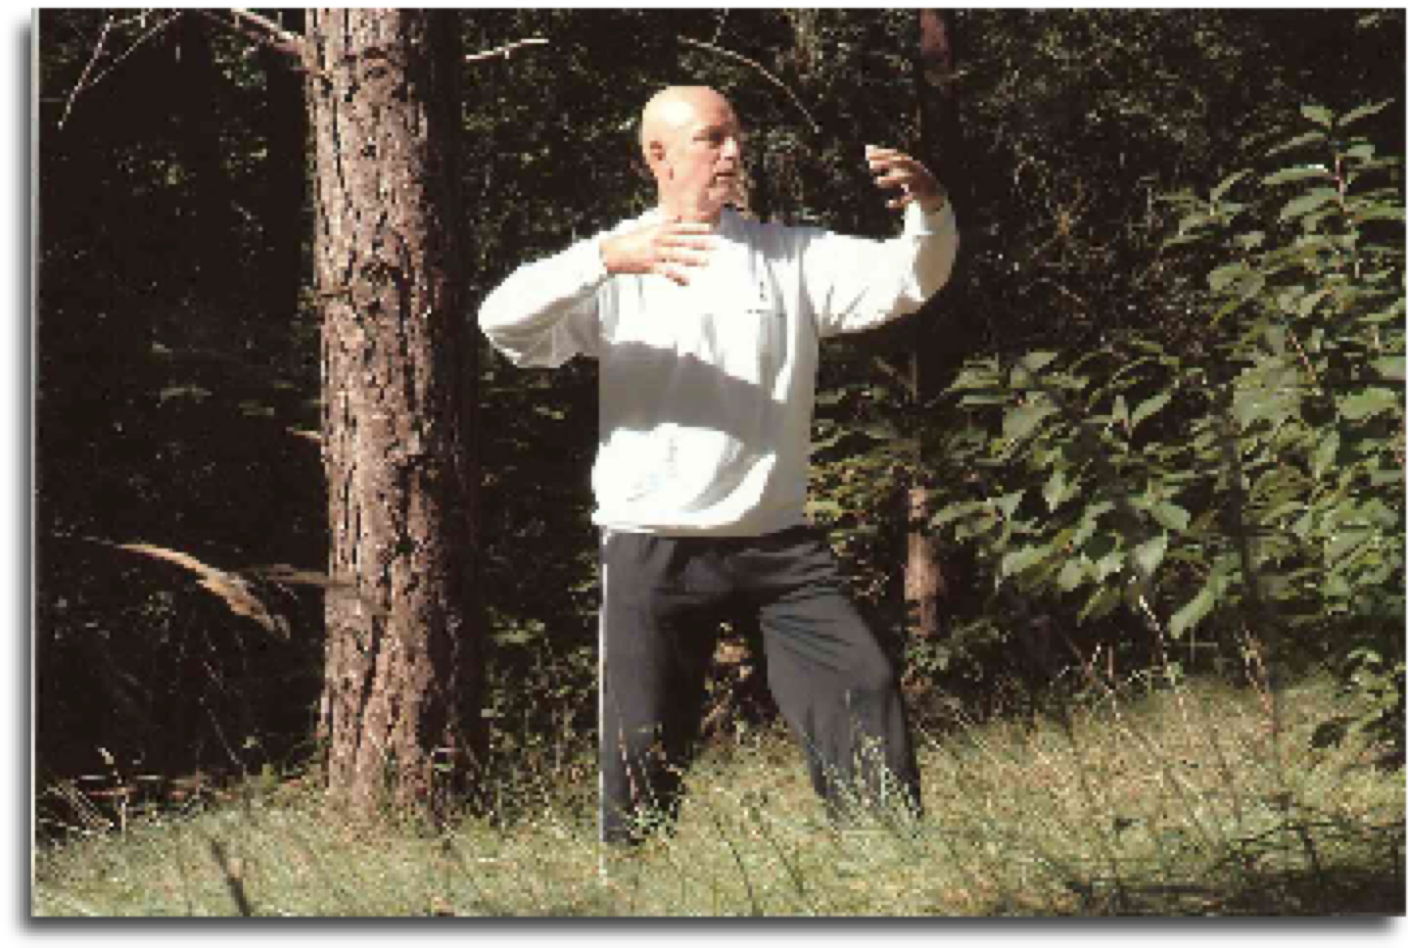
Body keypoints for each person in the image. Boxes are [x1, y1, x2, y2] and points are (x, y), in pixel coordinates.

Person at [479, 86, 959, 846]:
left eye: (736, 137)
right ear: (658, 157)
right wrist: (604, 259)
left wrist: (928, 211)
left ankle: (891, 863)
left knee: (861, 684)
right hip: (650, 543)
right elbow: (502, 323)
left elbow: (912, 277)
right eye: (711, 139)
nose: (733, 152)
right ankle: (631, 890)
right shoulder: (616, 263)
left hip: (778, 543)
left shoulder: (790, 255)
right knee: (641, 744)